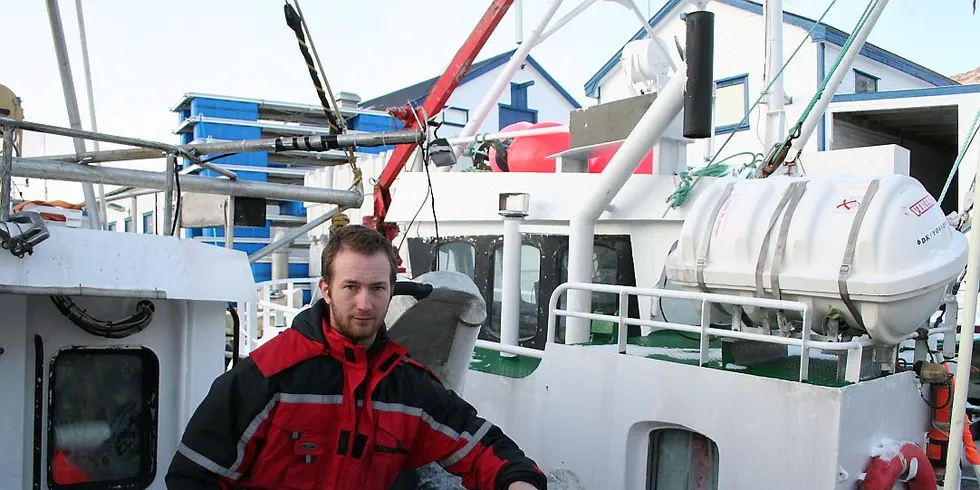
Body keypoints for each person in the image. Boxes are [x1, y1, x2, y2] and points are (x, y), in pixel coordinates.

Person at [166, 225, 547, 490]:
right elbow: (194, 476)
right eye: (351, 287)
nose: (365, 304)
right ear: (326, 290)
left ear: (391, 290)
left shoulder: (409, 387)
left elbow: (479, 445)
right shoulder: (267, 377)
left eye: (378, 288)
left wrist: (518, 480)